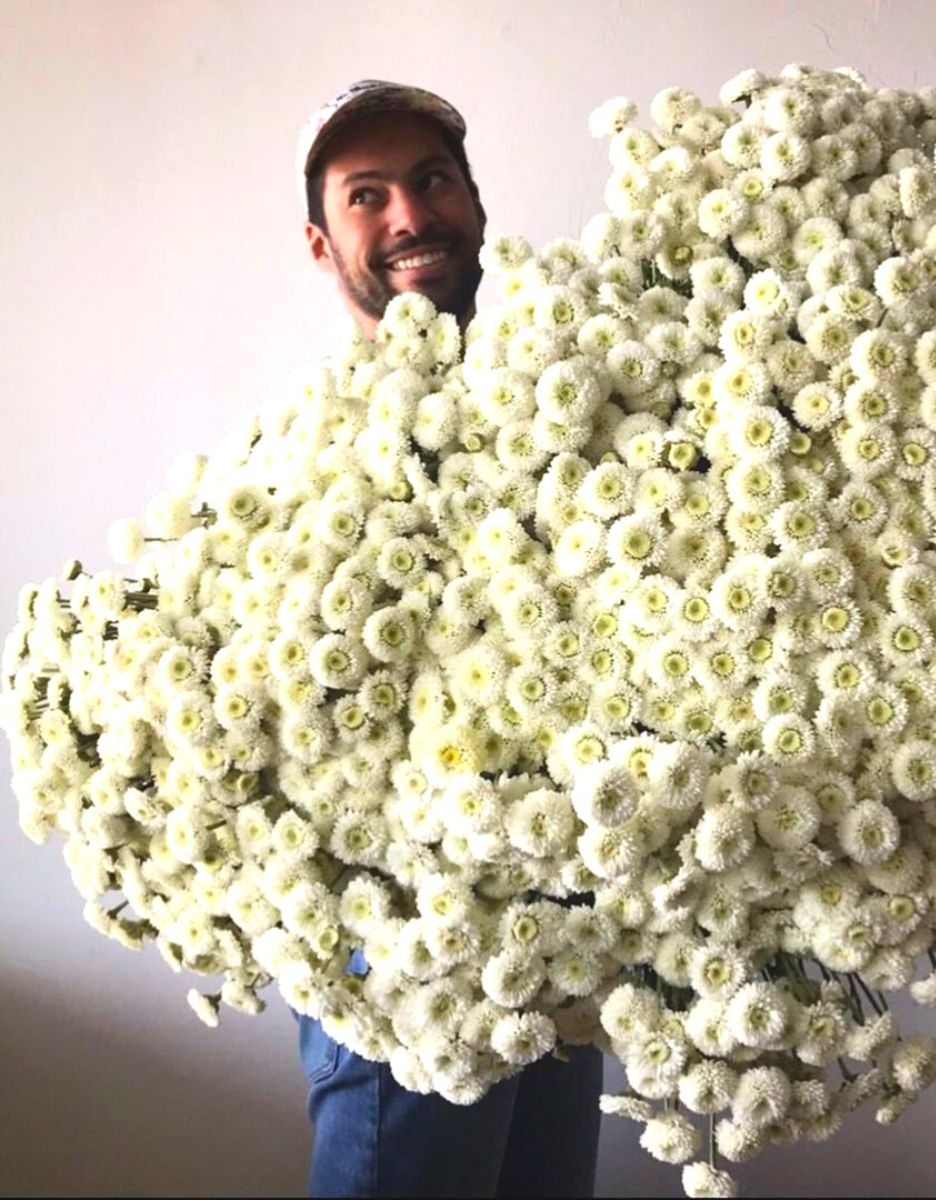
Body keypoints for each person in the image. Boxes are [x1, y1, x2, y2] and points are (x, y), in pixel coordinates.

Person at [292, 80, 605, 1198]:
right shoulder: (302, 476)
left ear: (475, 201)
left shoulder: (585, 410)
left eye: (430, 181)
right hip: (406, 948)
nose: (409, 217)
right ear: (325, 244)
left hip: (572, 922)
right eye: (367, 195)